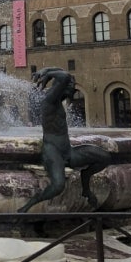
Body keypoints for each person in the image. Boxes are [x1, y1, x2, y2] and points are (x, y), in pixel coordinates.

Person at [18, 68, 110, 213]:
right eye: (70, 86)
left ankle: (85, 182)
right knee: (58, 186)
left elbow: (64, 76)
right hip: (53, 151)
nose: (73, 89)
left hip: (68, 151)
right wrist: (47, 72)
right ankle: (27, 206)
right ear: (60, 87)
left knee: (104, 157)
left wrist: (48, 71)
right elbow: (64, 76)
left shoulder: (58, 102)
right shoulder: (49, 100)